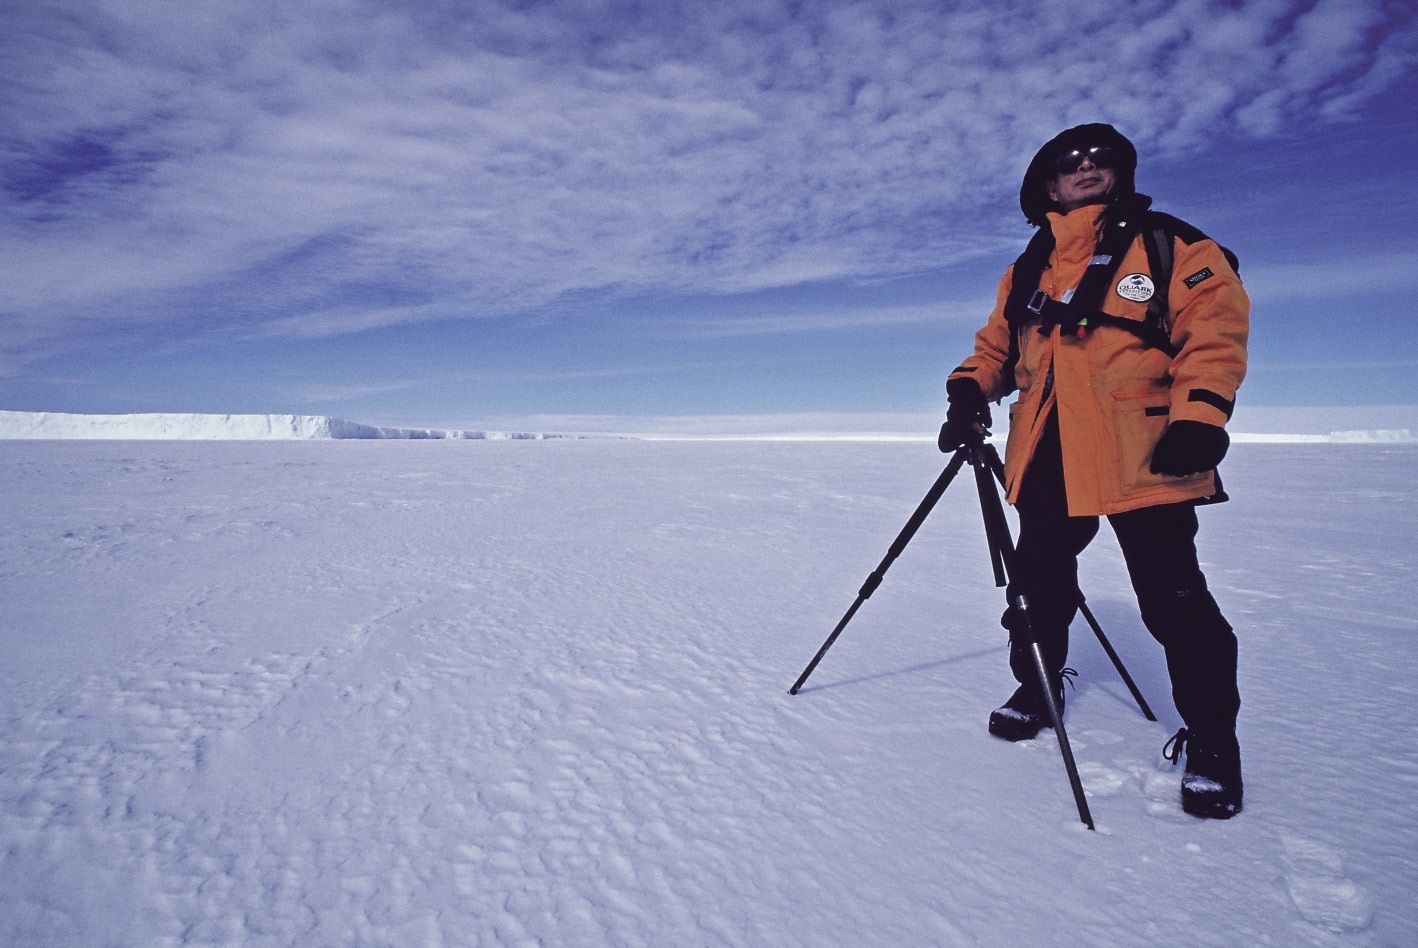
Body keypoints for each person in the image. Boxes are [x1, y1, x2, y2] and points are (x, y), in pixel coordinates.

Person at [938, 123, 1249, 819]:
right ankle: (1039, 688)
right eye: (1068, 161)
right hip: (1048, 450)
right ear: (1047, 185)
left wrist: (1200, 418)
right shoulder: (1028, 268)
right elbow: (996, 350)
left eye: (1099, 157)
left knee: (1174, 601)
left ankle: (1213, 741)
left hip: (1149, 450)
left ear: (1120, 172)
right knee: (1037, 588)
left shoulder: (1171, 245)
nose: (1085, 167)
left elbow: (1214, 334)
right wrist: (967, 391)